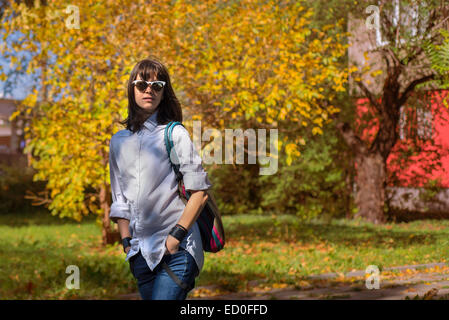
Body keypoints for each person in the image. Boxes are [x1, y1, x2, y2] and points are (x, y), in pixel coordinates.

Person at [108, 57, 212, 300]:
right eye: (142, 84)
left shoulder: (174, 133)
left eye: (157, 86)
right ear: (131, 89)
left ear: (164, 93)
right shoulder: (118, 141)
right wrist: (126, 243)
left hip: (177, 251)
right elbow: (119, 199)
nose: (149, 90)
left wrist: (175, 237)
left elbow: (200, 192)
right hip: (140, 255)